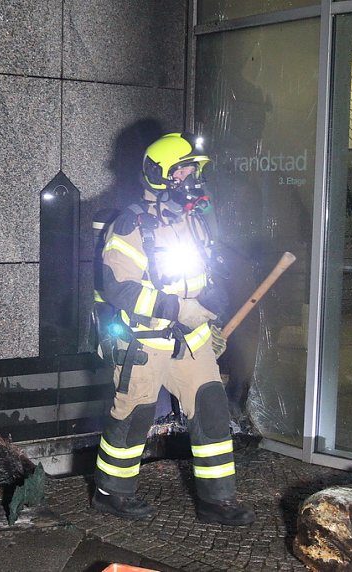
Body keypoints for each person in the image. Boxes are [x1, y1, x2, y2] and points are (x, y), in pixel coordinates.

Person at [91, 132, 255, 526]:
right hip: (145, 341)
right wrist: (181, 309)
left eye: (193, 170)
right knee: (133, 417)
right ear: (159, 175)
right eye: (183, 170)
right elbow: (120, 288)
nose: (191, 178)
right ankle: (111, 493)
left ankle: (218, 500)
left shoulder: (194, 222)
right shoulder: (131, 225)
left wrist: (211, 315)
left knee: (213, 411)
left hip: (192, 341)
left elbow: (205, 278)